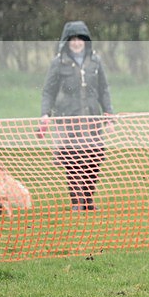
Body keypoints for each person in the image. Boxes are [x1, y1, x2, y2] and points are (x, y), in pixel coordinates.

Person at [40, 21, 114, 211]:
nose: (77, 42)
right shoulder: (58, 63)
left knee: (93, 160)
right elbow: (48, 91)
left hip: (92, 119)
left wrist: (108, 113)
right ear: (67, 42)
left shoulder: (96, 61)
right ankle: (76, 202)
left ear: (86, 41)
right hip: (68, 119)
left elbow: (104, 89)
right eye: (72, 39)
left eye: (80, 39)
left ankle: (88, 200)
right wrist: (45, 114)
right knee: (72, 161)